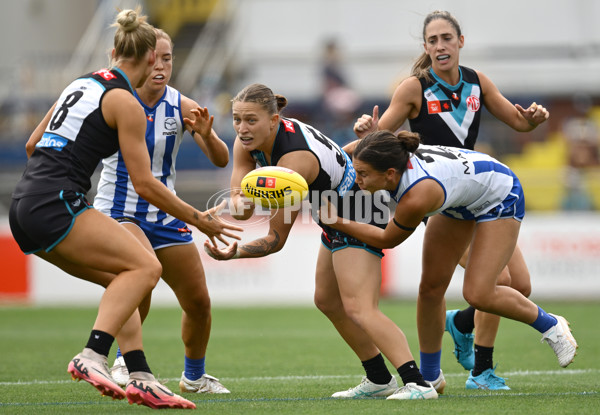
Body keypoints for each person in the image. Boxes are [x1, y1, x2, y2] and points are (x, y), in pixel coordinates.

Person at [12, 8, 241, 409]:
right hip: (63, 203)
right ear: (151, 58)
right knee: (145, 268)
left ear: (113, 51)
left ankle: (140, 374)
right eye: (162, 57)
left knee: (125, 277)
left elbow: (33, 145)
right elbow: (145, 184)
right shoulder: (126, 102)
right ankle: (93, 355)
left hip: (26, 204)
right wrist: (199, 219)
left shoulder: (81, 83)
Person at [353, 10, 549, 390]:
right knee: (499, 280)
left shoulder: (477, 82)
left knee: (519, 284)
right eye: (432, 40)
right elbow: (380, 135)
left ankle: (459, 324)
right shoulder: (414, 87)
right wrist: (366, 130)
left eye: (446, 38)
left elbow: (519, 121)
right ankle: (482, 372)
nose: (440, 46)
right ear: (425, 48)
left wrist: (534, 119)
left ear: (460, 42)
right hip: (441, 198)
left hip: (480, 192)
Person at [204, 83, 438, 400]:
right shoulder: (247, 144)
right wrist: (229, 206)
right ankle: (380, 379)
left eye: (251, 120)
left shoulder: (293, 162)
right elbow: (243, 209)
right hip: (332, 210)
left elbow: (275, 239)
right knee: (327, 300)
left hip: (360, 207)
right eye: (237, 119)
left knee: (359, 307)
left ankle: (418, 384)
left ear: (273, 120)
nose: (242, 129)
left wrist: (234, 251)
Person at [320, 130, 578, 384]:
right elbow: (343, 153)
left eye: (363, 174)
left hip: (498, 195)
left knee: (479, 293)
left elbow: (387, 239)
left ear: (389, 174)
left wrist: (337, 221)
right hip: (458, 199)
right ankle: (430, 377)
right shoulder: (383, 157)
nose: (358, 180)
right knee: (430, 289)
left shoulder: (416, 195)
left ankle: (552, 325)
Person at [93, 28, 230, 395]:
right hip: (120, 210)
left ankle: (195, 377)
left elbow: (221, 160)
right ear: (139, 59)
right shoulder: (116, 100)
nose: (161, 66)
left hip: (166, 213)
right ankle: (125, 362)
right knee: (141, 282)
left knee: (199, 302)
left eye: (167, 59)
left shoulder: (180, 104)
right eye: (153, 58)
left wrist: (208, 133)